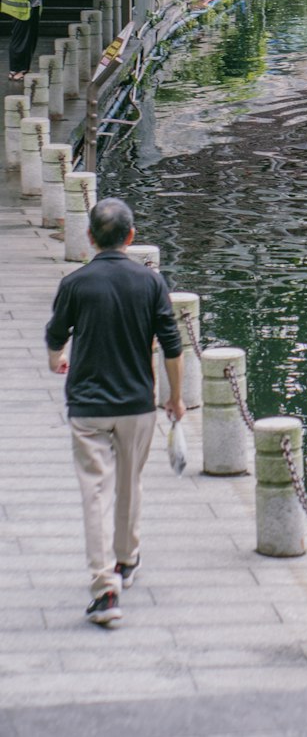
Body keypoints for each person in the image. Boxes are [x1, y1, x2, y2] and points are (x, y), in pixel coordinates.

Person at [45, 197, 185, 626]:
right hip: (136, 404)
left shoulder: (76, 283)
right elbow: (173, 345)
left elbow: (55, 335)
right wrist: (175, 399)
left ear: (89, 238)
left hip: (88, 405)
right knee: (130, 483)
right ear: (131, 236)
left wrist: (57, 360)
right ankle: (126, 560)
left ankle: (105, 588)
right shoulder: (151, 283)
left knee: (95, 492)